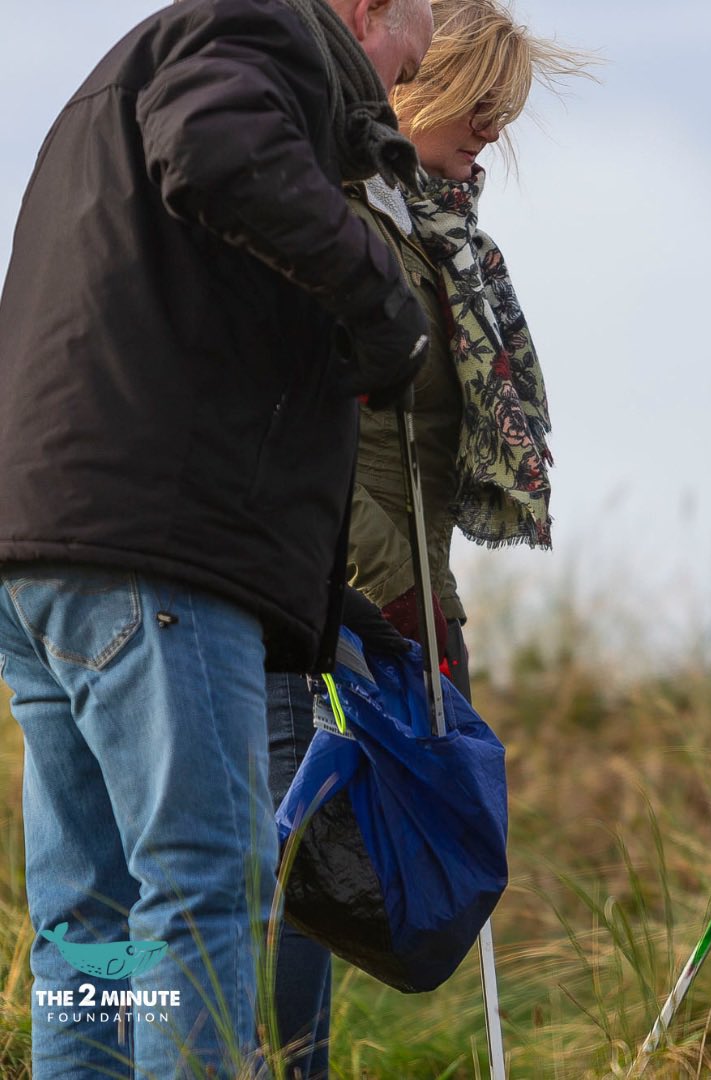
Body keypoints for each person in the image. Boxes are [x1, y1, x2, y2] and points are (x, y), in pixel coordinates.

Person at [0, 0, 434, 1074]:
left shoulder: (125, 73)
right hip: (157, 556)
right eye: (406, 64)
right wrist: (382, 301)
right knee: (201, 885)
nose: (393, 98)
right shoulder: (261, 35)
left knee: (90, 916)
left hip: (44, 549)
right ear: (366, 10)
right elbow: (212, 144)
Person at [265, 1, 592, 1074]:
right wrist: (398, 597)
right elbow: (320, 435)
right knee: (284, 852)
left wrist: (430, 605)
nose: (495, 127)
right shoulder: (344, 212)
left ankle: (286, 1059)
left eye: (507, 108)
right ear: (412, 80)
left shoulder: (435, 237)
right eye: (481, 99)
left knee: (308, 855)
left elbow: (417, 467)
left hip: (382, 591)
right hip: (318, 589)